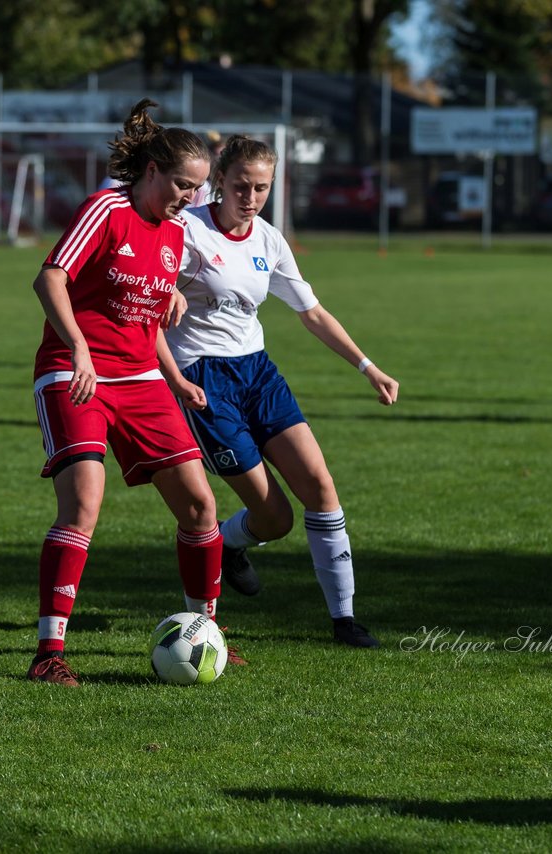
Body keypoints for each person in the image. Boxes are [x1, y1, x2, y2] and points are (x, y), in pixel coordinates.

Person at [161, 135, 399, 649]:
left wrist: (368, 367)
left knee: (320, 485)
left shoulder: (269, 239)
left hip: (259, 374)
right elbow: (147, 284)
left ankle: (344, 622)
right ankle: (224, 545)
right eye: (241, 185)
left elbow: (311, 312)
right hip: (204, 379)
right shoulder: (186, 231)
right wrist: (171, 290)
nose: (250, 197)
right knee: (276, 518)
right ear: (218, 181)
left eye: (261, 188)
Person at [27, 99, 229, 686]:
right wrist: (81, 349)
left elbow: (144, 321)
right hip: (74, 370)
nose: (189, 198)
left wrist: (175, 376)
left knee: (200, 506)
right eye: (182, 185)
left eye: (197, 188)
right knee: (85, 501)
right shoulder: (106, 209)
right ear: (151, 172)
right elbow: (50, 278)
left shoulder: (174, 232)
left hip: (141, 379)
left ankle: (206, 630)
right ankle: (49, 653)